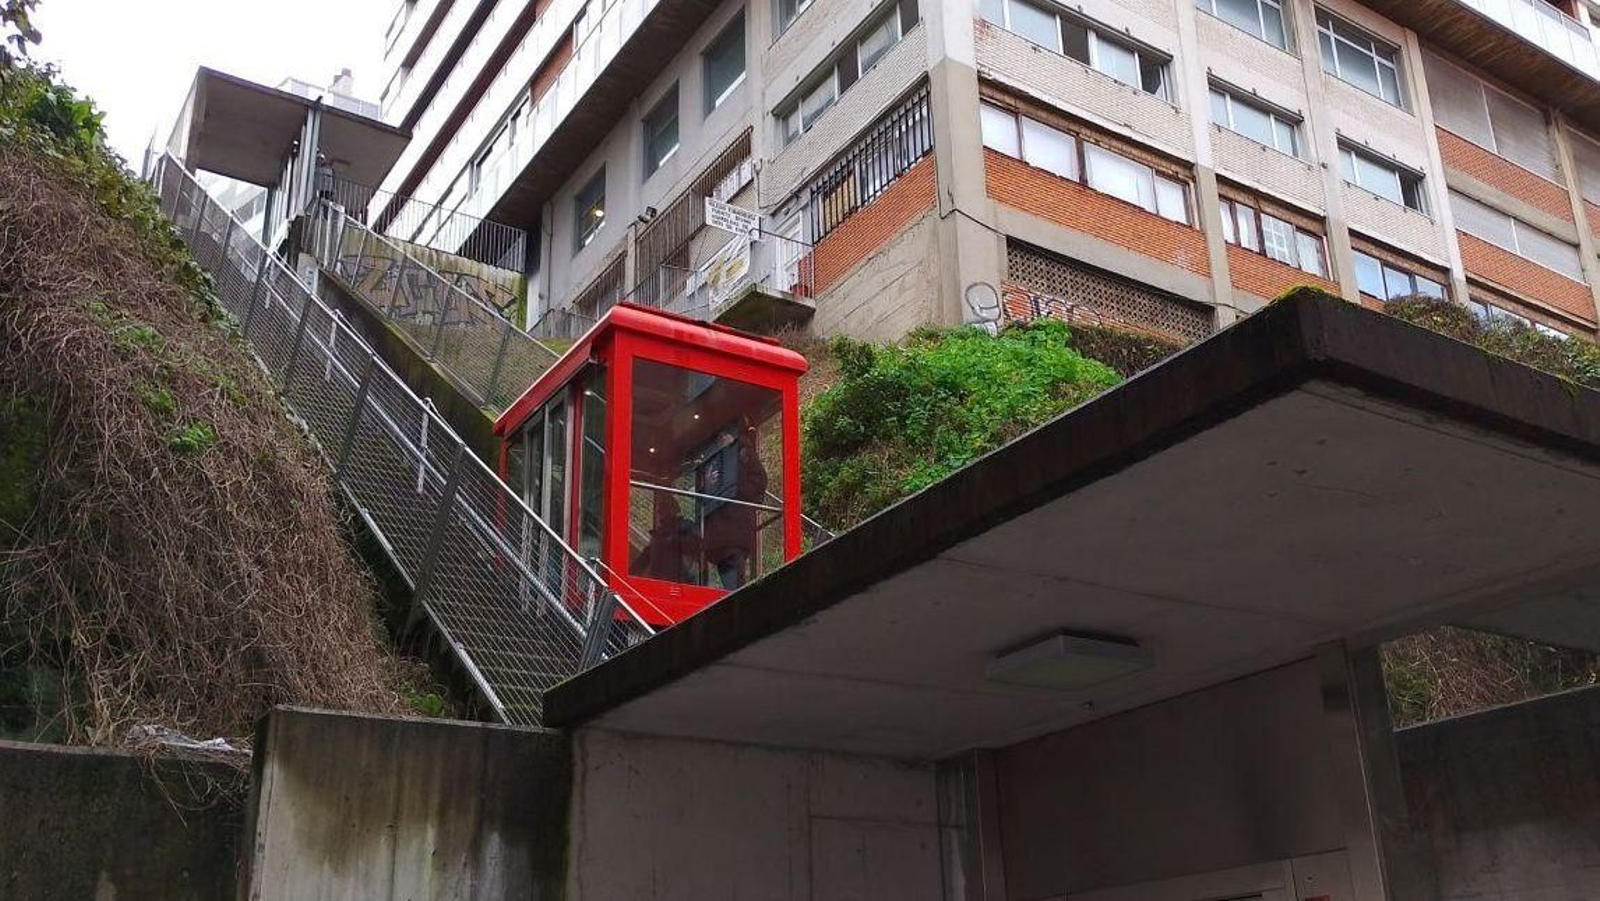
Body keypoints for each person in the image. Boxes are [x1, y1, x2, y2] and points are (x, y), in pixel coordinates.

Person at [699, 420, 768, 591]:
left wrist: (737, 492)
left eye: (724, 434)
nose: (721, 439)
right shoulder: (714, 461)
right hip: (718, 530)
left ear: (733, 435)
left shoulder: (743, 453)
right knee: (727, 570)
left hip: (735, 526)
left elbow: (760, 481)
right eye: (718, 436)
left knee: (734, 573)